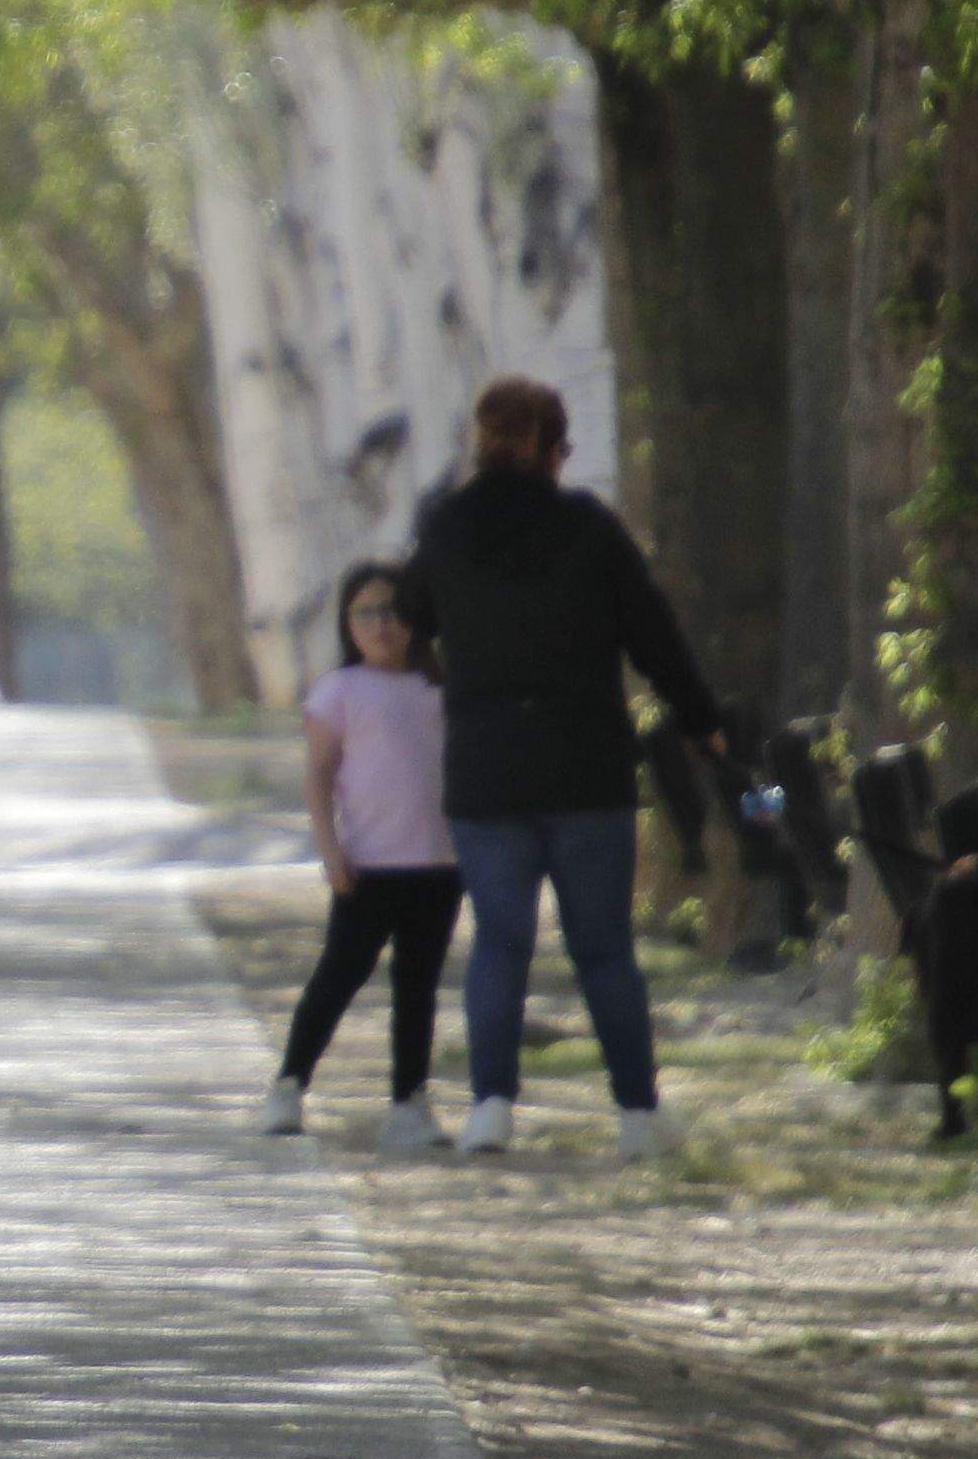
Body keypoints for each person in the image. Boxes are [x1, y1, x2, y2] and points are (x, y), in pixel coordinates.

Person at [406, 376, 725, 1158]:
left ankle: (490, 1107)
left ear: (480, 444)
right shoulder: (588, 527)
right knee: (604, 949)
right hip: (586, 769)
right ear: (552, 450)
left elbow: (410, 617)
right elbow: (653, 634)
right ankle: (637, 1116)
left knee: (499, 941)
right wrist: (701, 721)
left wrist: (453, 679)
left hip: (486, 773)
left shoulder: (445, 528)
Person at [267, 560, 464, 1153]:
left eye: (393, 611)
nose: (381, 625)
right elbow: (319, 777)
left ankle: (409, 1102)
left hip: (437, 866)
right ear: (347, 624)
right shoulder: (339, 691)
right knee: (339, 977)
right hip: (367, 867)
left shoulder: (442, 688)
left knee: (417, 987)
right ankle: (289, 1084)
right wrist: (330, 851)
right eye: (365, 613)